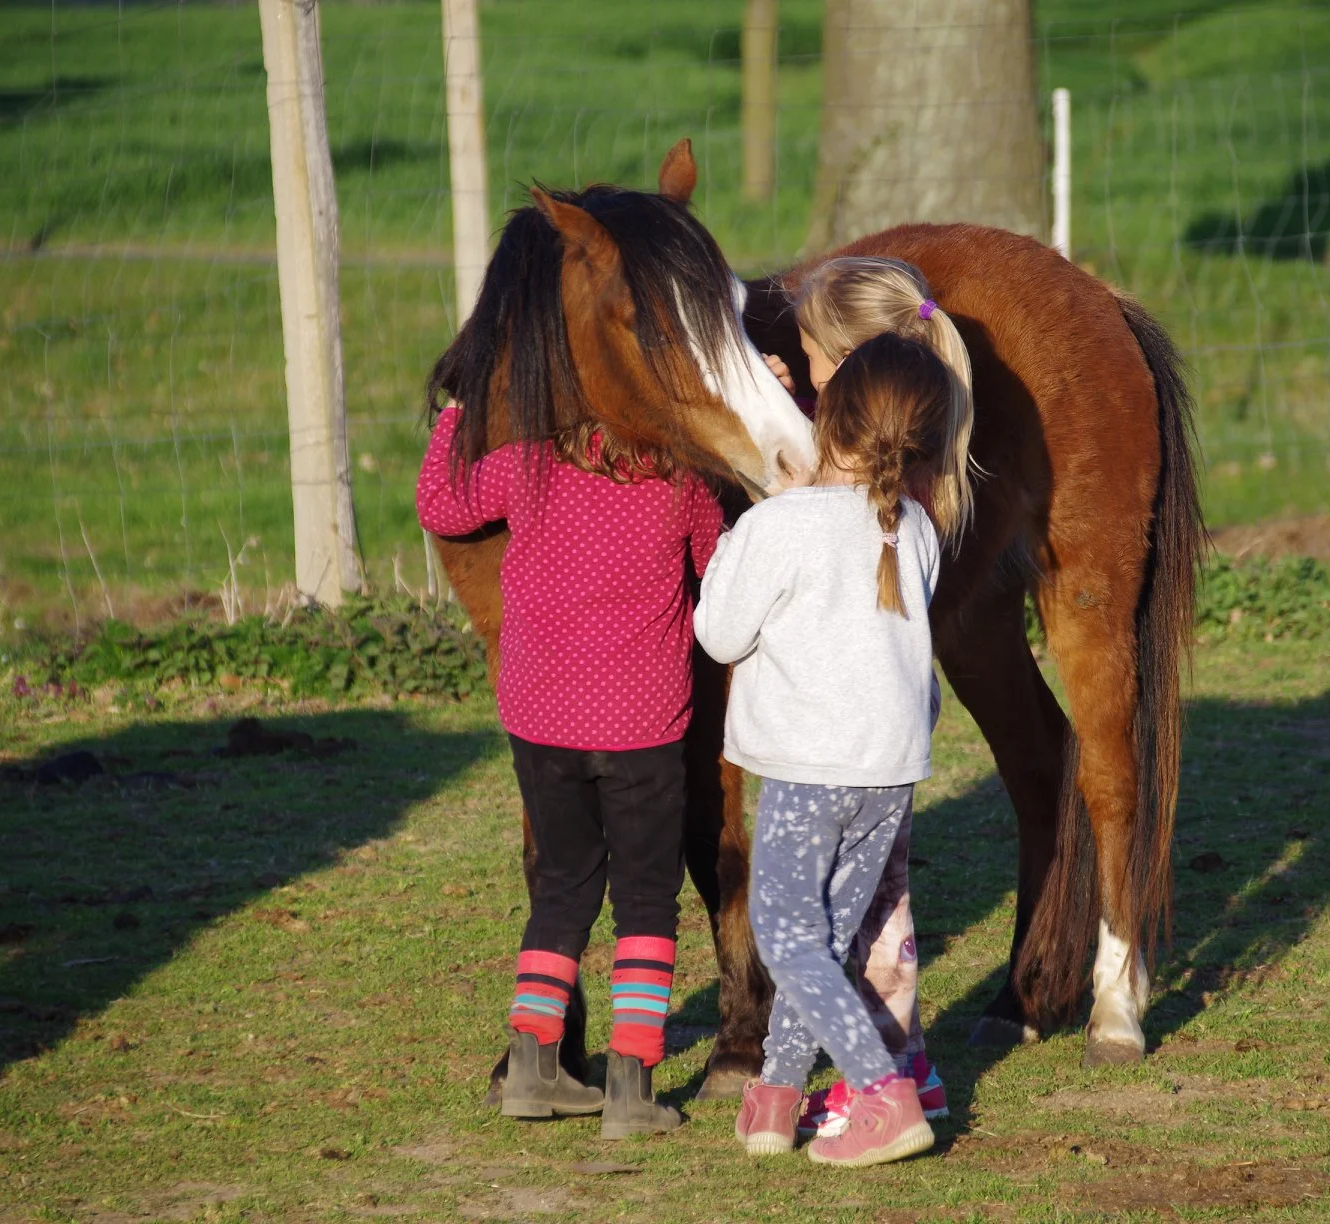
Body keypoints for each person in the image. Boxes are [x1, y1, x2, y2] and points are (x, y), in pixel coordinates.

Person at [415, 399, 721, 1142]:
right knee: (647, 901)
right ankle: (631, 1083)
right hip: (643, 725)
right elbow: (725, 574)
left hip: (541, 719)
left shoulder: (528, 464)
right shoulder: (683, 484)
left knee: (560, 888)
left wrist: (457, 412)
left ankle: (533, 1063)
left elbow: (440, 503)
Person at [697, 332, 962, 1167]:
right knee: (825, 942)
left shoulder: (781, 526)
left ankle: (884, 1095)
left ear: (829, 419)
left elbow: (718, 633)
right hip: (889, 773)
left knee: (787, 937)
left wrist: (738, 535)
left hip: (811, 771)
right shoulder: (913, 526)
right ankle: (774, 1100)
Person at [758, 256, 974, 1139]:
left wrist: (789, 455)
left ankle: (876, 1078)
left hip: (834, 736)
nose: (805, 373)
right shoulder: (918, 453)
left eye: (811, 360)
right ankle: (907, 1066)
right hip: (892, 731)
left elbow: (813, 524)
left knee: (832, 924)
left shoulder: (864, 486)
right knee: (880, 905)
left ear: (849, 369)